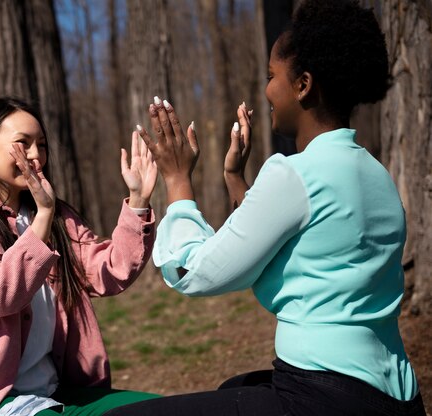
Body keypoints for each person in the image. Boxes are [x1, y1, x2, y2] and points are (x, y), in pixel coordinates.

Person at [104, 1, 426, 415]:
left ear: (304, 85)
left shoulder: (294, 173)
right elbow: (306, 251)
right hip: (394, 395)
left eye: (272, 77)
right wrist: (238, 182)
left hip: (323, 396)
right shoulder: (376, 175)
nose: (267, 90)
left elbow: (197, 273)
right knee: (234, 386)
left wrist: (178, 180)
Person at [0, 96, 159, 416]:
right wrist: (43, 217)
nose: (35, 155)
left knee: (159, 409)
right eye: (23, 143)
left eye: (42, 145)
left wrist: (138, 202)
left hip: (56, 394)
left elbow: (109, 270)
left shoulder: (59, 218)